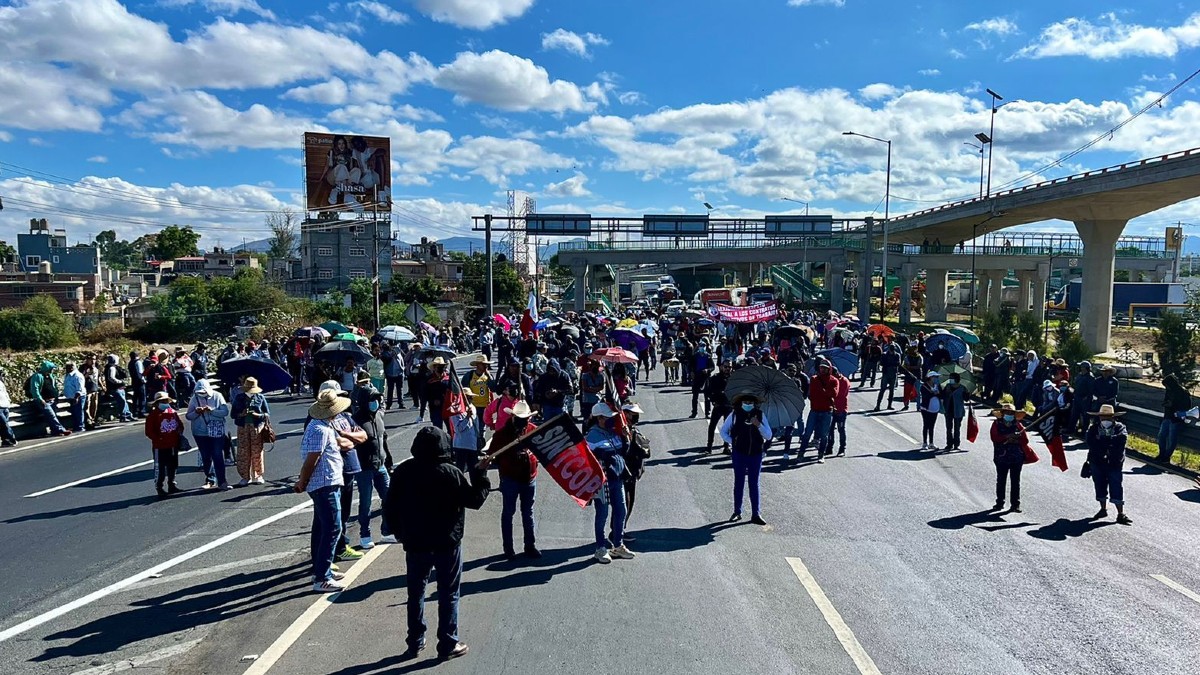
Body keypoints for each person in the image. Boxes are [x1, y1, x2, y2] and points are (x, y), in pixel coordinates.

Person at [384, 427, 490, 661]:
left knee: (416, 592)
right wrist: (480, 475)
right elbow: (475, 500)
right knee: (449, 592)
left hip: (416, 543)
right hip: (447, 542)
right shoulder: (450, 472)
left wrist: (399, 533)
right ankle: (448, 643)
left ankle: (415, 641)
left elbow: (390, 506)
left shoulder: (404, 471)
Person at [295, 389, 354, 593]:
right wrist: (302, 481)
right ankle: (322, 577)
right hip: (323, 484)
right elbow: (312, 460)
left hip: (327, 482)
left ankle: (323, 569)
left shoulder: (322, 426)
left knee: (325, 526)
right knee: (332, 527)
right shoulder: (320, 429)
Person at [483, 400, 539, 559]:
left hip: (529, 478)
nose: (524, 423)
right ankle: (508, 548)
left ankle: (530, 546)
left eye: (526, 419)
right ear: (513, 418)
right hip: (510, 479)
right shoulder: (502, 435)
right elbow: (493, 455)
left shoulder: (532, 430)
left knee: (528, 513)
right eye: (521, 419)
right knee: (509, 513)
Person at [585, 402, 635, 564]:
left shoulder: (613, 433)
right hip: (603, 483)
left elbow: (623, 452)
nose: (612, 420)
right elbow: (587, 461)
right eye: (608, 417)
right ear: (599, 418)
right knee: (603, 515)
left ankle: (618, 545)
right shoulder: (591, 437)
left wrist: (627, 438)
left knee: (621, 511)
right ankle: (600, 548)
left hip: (617, 479)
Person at [352, 385, 395, 549]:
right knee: (365, 503)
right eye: (372, 399)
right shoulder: (356, 420)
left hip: (381, 465)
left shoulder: (378, 416)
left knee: (389, 498)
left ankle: (387, 531)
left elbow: (383, 440)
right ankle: (365, 534)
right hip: (364, 468)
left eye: (377, 399)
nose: (375, 402)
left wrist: (388, 460)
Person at [721, 393, 771, 525]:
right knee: (739, 482)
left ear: (755, 403)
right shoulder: (735, 414)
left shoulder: (760, 415)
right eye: (745, 401)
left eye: (750, 402)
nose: (748, 404)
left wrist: (758, 425)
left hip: (756, 454)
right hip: (739, 454)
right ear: (741, 402)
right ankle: (737, 512)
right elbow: (723, 432)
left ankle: (756, 514)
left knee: (754, 483)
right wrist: (734, 442)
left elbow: (769, 435)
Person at [1086, 405, 1131, 525]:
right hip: (1097, 461)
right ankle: (1103, 509)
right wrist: (1109, 441)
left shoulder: (1120, 427)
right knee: (1099, 485)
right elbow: (1090, 441)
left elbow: (1121, 440)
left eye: (1108, 417)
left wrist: (1102, 440)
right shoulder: (1093, 428)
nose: (1105, 419)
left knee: (1116, 486)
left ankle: (1120, 514)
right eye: (1103, 417)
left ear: (1113, 417)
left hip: (1114, 463)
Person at [186, 379, 231, 490]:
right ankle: (210, 479)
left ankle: (222, 481)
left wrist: (212, 411)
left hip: (216, 430)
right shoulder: (194, 398)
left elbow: (225, 412)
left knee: (217, 455)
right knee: (206, 456)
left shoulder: (217, 396)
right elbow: (188, 416)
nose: (202, 394)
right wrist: (196, 412)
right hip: (200, 432)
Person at [145, 391, 185, 498]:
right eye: (162, 401)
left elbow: (180, 425)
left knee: (173, 465)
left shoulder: (172, 412)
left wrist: (179, 433)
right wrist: (159, 439)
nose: (165, 403)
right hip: (160, 446)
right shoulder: (153, 416)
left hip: (173, 445)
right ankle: (159, 487)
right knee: (160, 468)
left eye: (166, 401)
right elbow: (149, 432)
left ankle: (171, 484)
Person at [231, 376, 270, 486]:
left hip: (257, 427)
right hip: (243, 427)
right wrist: (241, 414)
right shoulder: (239, 398)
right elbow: (233, 414)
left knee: (257, 451)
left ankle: (258, 475)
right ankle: (245, 476)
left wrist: (257, 415)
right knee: (243, 451)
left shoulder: (260, 398)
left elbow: (267, 414)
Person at [990, 403, 1028, 513]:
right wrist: (1007, 437)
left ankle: (1015, 504)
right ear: (1002, 413)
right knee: (1001, 480)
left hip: (1017, 457)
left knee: (1015, 481)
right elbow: (994, 437)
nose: (1009, 415)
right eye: (1007, 413)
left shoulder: (1018, 426)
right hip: (1001, 457)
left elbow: (1025, 440)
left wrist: (1016, 440)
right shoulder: (996, 424)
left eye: (1011, 413)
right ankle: (999, 502)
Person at [801, 359, 838, 462]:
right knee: (807, 433)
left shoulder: (834, 380)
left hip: (827, 411)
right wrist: (825, 393)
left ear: (829, 369)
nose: (823, 370)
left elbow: (834, 394)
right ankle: (801, 453)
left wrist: (822, 393)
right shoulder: (814, 379)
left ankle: (821, 455)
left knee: (824, 435)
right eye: (821, 367)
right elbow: (813, 394)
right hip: (815, 410)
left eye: (825, 368)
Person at [622, 402, 651, 532]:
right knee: (624, 504)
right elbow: (642, 451)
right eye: (634, 414)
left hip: (633, 471)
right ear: (626, 414)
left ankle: (620, 530)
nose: (637, 416)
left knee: (629, 503)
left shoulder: (632, 429)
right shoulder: (623, 430)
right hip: (626, 471)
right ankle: (617, 532)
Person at [1156, 373, 1193, 464]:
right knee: (1161, 436)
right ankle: (1161, 454)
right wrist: (1166, 404)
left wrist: (1174, 406)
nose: (1166, 388)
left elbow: (1187, 406)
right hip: (1167, 416)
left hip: (1177, 418)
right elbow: (1165, 401)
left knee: (1172, 438)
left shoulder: (1183, 392)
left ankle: (1166, 456)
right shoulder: (1169, 391)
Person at [29, 361, 69, 437]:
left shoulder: (51, 376)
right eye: (51, 368)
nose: (52, 370)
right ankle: (61, 430)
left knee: (52, 416)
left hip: (52, 400)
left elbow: (54, 386)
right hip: (44, 401)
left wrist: (56, 396)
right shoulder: (37, 376)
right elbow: (35, 389)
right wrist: (40, 399)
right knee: (52, 415)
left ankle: (55, 431)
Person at [705, 361, 734, 453]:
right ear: (721, 367)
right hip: (718, 405)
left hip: (729, 406)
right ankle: (709, 446)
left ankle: (726, 446)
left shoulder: (733, 378)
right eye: (725, 367)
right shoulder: (715, 378)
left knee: (728, 427)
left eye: (729, 367)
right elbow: (708, 392)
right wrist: (713, 401)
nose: (727, 369)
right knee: (712, 426)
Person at [940, 373, 967, 451]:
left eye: (951, 378)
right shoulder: (947, 386)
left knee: (957, 428)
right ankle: (949, 444)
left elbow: (966, 399)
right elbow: (942, 395)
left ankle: (956, 444)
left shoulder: (962, 388)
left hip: (958, 411)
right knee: (949, 428)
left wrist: (967, 394)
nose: (950, 380)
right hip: (948, 410)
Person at [827, 366, 850, 456]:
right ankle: (829, 447)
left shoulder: (844, 381)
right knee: (830, 429)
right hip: (831, 409)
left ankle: (842, 449)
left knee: (841, 429)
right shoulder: (831, 381)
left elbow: (840, 395)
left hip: (841, 409)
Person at [104, 354, 133, 422]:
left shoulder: (109, 367)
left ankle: (127, 414)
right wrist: (119, 382)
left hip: (117, 388)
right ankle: (123, 416)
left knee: (124, 402)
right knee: (122, 402)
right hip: (116, 388)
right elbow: (111, 378)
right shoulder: (112, 368)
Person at [425, 357, 451, 430]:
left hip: (448, 408)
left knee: (451, 430)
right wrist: (433, 400)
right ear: (434, 367)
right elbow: (425, 394)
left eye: (441, 366)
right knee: (438, 430)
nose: (440, 368)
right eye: (438, 366)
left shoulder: (449, 378)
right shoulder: (429, 380)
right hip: (435, 409)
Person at [917, 371, 942, 450]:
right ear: (930, 377)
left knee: (932, 426)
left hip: (935, 409)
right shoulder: (924, 386)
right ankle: (925, 443)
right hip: (926, 409)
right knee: (926, 425)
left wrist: (938, 393)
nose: (936, 379)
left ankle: (931, 443)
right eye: (935, 377)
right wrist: (933, 393)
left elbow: (941, 395)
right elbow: (925, 396)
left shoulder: (937, 386)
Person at [690, 341, 714, 418]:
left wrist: (707, 370)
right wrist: (691, 372)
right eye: (701, 346)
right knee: (695, 396)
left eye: (703, 346)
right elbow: (690, 366)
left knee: (707, 396)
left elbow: (712, 367)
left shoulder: (708, 356)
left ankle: (708, 412)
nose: (702, 347)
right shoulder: (695, 356)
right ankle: (694, 412)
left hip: (705, 377)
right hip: (697, 377)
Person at [62, 361, 87, 433]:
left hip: (78, 396)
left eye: (68, 367)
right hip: (71, 397)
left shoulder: (77, 375)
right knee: (74, 412)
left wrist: (76, 397)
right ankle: (76, 426)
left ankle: (80, 427)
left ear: (73, 367)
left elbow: (79, 388)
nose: (66, 369)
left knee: (79, 411)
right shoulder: (68, 375)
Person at [875, 345, 900, 411]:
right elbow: (882, 363)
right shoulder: (885, 355)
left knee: (891, 391)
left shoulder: (897, 355)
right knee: (882, 389)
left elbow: (898, 363)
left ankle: (889, 405)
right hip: (886, 373)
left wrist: (890, 363)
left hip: (893, 374)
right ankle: (878, 405)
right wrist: (891, 364)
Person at [0, 369, 16, 447]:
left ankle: (5, 441)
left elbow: (5, 393)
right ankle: (11, 438)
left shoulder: (1, 383)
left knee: (3, 425)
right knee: (4, 424)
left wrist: (8, 401)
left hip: (5, 405)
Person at [128, 351, 147, 418]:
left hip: (134, 381)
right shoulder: (138, 362)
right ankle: (142, 411)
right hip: (140, 381)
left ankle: (135, 411)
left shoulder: (130, 363)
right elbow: (141, 372)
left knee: (135, 397)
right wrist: (144, 380)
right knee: (142, 397)